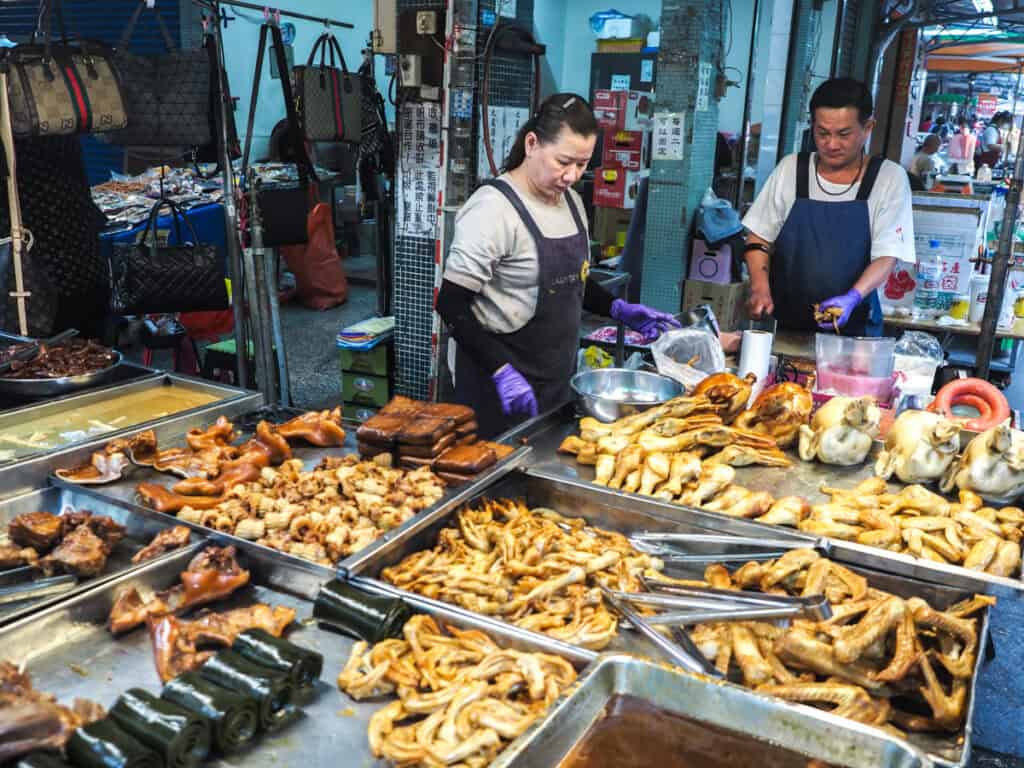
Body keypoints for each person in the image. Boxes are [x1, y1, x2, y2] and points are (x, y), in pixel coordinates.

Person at [435, 93, 680, 438]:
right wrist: (500, 370)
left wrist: (617, 308)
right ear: (532, 144)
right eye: (563, 161)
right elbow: (450, 303)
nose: (571, 175)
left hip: (554, 381)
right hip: (498, 387)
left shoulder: (572, 203)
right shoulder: (493, 209)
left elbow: (572, 281)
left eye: (582, 165)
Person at [742, 78, 915, 336]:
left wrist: (852, 298)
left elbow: (887, 256)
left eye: (843, 134)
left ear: (868, 127)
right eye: (823, 133)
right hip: (784, 323)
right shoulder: (792, 169)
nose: (831, 144)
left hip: (855, 330)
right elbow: (759, 236)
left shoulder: (888, 178)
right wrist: (759, 286)